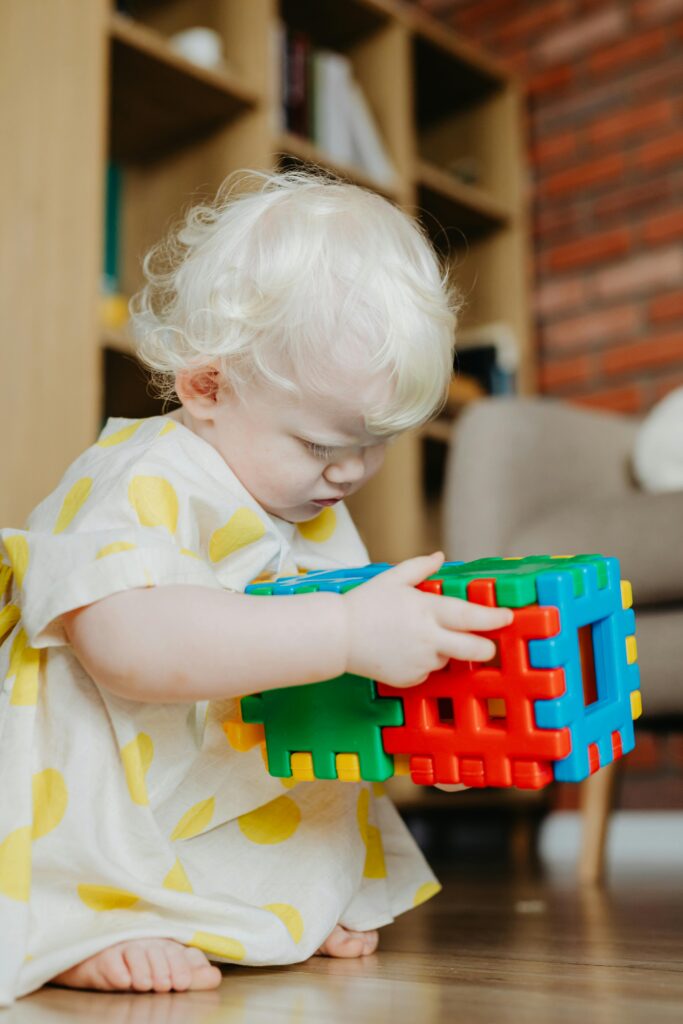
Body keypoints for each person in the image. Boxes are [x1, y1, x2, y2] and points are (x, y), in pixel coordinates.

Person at [0, 169, 513, 1001]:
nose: (349, 472)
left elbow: (332, 675)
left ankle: (263, 900)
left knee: (294, 749)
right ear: (209, 387)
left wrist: (428, 715)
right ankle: (87, 921)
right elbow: (128, 648)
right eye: (319, 445)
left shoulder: (306, 499)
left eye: (375, 442)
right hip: (114, 760)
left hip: (219, 764)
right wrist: (343, 631)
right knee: (101, 798)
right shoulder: (135, 476)